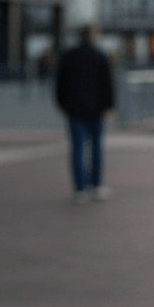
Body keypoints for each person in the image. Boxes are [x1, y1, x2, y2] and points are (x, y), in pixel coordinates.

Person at [55, 25, 115, 205]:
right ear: (95, 36)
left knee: (77, 149)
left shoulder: (69, 55)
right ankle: (96, 186)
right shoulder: (100, 56)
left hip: (74, 110)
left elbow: (60, 82)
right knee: (96, 148)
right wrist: (108, 106)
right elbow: (108, 84)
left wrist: (62, 105)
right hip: (96, 110)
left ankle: (79, 189)